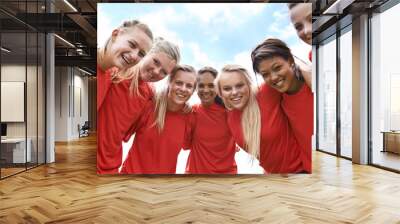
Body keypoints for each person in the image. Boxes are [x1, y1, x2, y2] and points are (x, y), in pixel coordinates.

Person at [97, 38, 180, 174]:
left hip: (111, 167)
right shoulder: (115, 72)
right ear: (147, 53)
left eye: (164, 72)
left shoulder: (149, 97)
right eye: (156, 61)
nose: (156, 71)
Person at [215, 62, 311, 173]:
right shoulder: (229, 117)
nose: (235, 92)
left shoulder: (265, 93)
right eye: (227, 89)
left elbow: (289, 69)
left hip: (302, 171)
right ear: (221, 93)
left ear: (248, 84)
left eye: (240, 85)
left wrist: (312, 78)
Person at [120, 65, 197, 174]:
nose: (183, 89)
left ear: (193, 90)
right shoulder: (149, 106)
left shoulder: (190, 118)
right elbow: (118, 134)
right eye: (179, 83)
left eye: (189, 86)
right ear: (169, 82)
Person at [251, 38, 313, 173]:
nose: (273, 77)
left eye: (277, 68)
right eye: (265, 74)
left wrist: (304, 68)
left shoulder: (312, 83)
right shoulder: (277, 99)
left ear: (290, 61)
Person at [184, 66, 237, 174]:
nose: (206, 90)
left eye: (211, 86)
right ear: (196, 88)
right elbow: (185, 145)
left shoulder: (231, 112)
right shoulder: (192, 112)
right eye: (201, 86)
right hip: (195, 179)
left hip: (226, 179)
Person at [97, 20, 153, 110]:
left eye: (141, 54)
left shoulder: (111, 75)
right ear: (115, 35)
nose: (134, 56)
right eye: (132, 44)